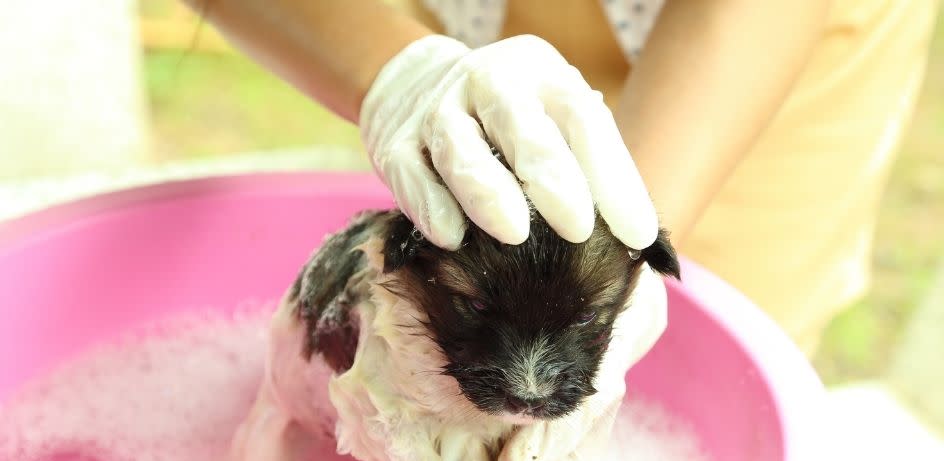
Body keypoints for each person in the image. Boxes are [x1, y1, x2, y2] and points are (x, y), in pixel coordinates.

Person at [185, 0, 938, 355]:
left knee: (716, 330)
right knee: (470, 264)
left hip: (752, 31)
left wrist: (612, 267)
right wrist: (397, 72)